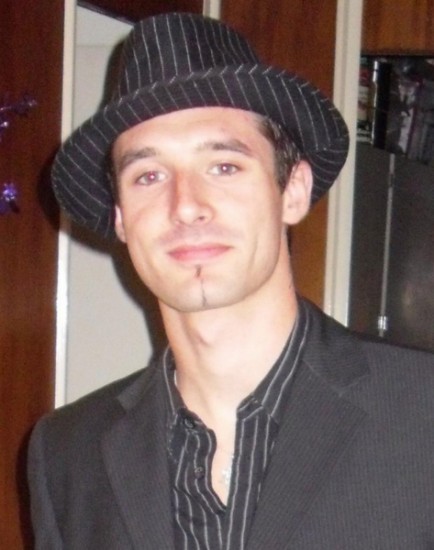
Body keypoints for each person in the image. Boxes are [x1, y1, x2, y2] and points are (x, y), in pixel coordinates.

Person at [28, 12, 434, 550]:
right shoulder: (66, 454)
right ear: (122, 220)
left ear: (293, 190)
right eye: (149, 176)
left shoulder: (422, 413)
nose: (185, 205)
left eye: (223, 166)